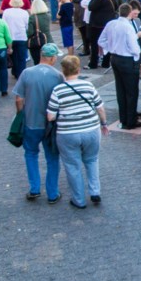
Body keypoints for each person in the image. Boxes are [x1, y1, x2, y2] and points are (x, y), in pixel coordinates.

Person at [46, 55, 109, 209]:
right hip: (91, 130)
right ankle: (95, 191)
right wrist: (104, 123)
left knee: (72, 165)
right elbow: (99, 107)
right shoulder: (88, 86)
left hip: (67, 133)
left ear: (63, 71)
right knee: (92, 160)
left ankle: (79, 200)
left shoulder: (58, 90)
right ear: (78, 69)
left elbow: (50, 116)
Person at [14, 43, 64, 203]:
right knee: (52, 158)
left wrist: (20, 114)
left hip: (31, 122)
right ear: (51, 58)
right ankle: (52, 193)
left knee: (30, 154)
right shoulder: (57, 76)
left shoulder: (27, 73)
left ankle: (34, 188)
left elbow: (19, 98)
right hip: (50, 125)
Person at [98, 2, 141, 129]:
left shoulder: (111, 24)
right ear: (130, 13)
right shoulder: (127, 27)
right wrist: (137, 55)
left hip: (115, 58)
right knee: (131, 91)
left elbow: (101, 41)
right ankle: (131, 121)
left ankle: (124, 118)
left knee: (120, 90)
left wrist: (111, 49)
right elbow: (134, 47)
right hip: (128, 60)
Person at [4, 0, 31, 79]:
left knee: (13, 56)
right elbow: (27, 25)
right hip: (21, 36)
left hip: (10, 36)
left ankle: (15, 71)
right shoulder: (24, 12)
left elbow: (4, 24)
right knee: (22, 57)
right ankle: (21, 73)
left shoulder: (6, 12)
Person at [26, 0, 53, 66]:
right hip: (48, 40)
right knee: (48, 62)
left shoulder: (32, 17)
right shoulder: (48, 16)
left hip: (37, 43)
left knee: (37, 62)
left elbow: (30, 32)